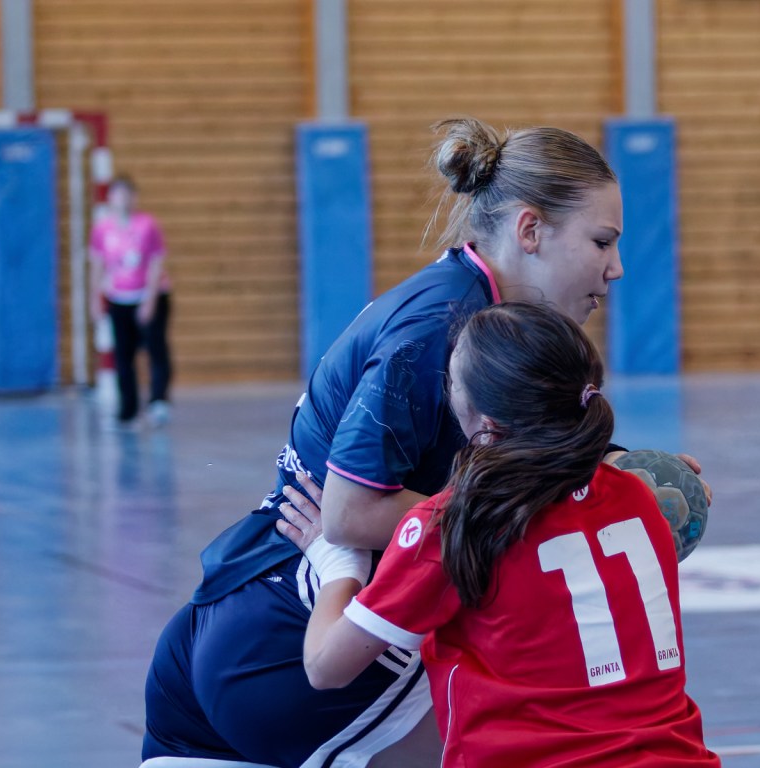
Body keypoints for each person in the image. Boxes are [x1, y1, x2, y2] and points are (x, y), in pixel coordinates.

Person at [141, 117, 706, 767]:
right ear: (529, 231)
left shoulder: (478, 313)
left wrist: (613, 469)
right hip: (311, 630)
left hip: (238, 617)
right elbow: (348, 515)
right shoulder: (441, 324)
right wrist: (583, 513)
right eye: (602, 241)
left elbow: (519, 442)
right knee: (538, 722)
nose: (617, 267)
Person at [279, 302, 721, 767]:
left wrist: (335, 562)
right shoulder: (639, 496)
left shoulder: (455, 521)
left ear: (485, 424)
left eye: (452, 380)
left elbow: (325, 666)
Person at [90, 174, 173, 428]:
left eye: (127, 195)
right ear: (110, 199)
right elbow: (97, 265)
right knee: (123, 356)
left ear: (134, 198)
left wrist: (149, 301)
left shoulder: (147, 225)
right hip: (119, 299)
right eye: (118, 194)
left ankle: (158, 401)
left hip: (149, 295)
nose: (123, 200)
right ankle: (128, 409)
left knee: (156, 349)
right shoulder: (102, 229)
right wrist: (95, 298)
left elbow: (156, 263)